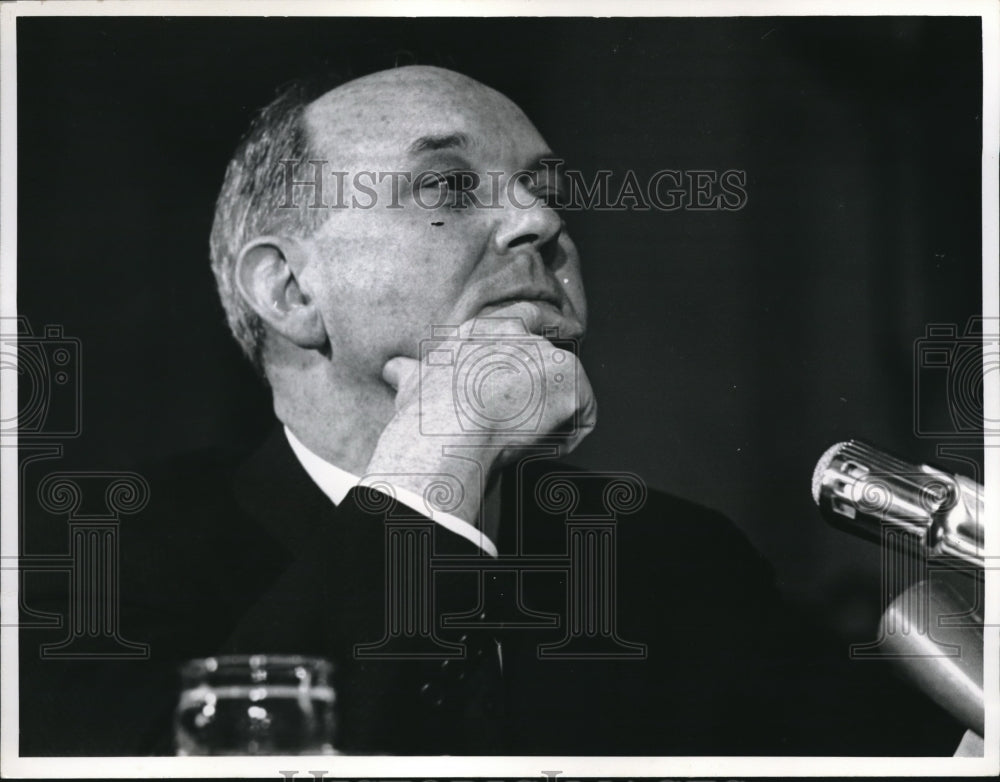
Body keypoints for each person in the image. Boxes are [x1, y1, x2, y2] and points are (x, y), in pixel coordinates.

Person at [18, 64, 965, 757]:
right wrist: (439, 451)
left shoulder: (677, 565)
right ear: (290, 291)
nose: (539, 224)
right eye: (446, 187)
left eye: (546, 194)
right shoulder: (94, 558)